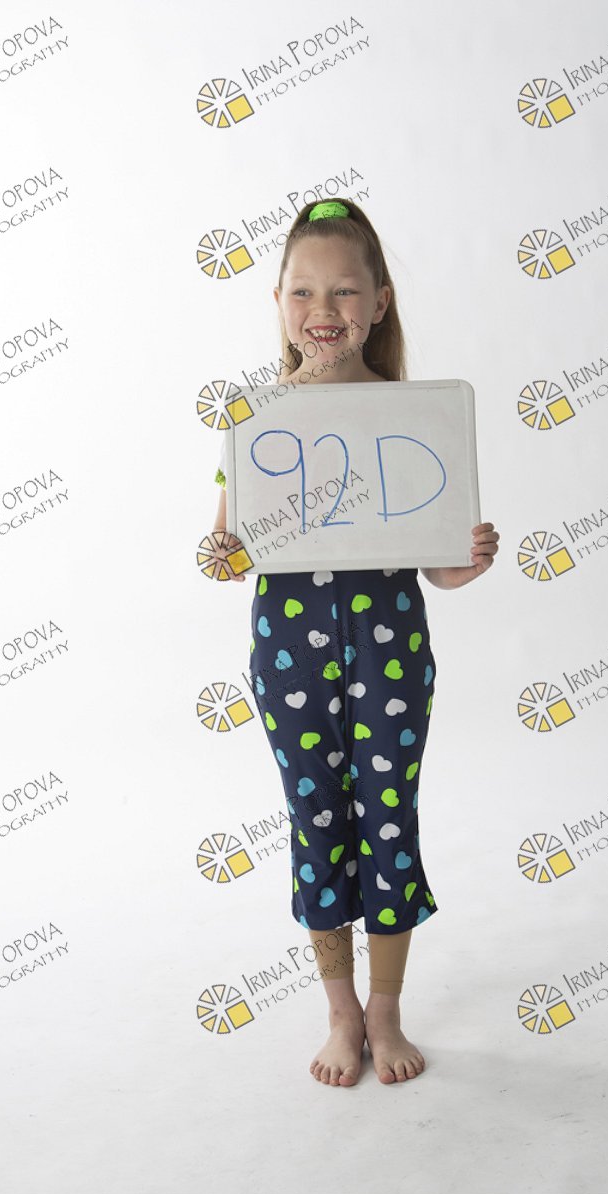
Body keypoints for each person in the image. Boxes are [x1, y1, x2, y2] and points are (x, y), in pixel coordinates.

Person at [211, 198, 500, 1086]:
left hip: (389, 650)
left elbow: (435, 565)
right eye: (303, 291)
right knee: (317, 819)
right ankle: (339, 1012)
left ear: (378, 302)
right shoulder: (256, 418)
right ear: (278, 302)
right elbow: (228, 543)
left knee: (387, 814)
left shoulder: (413, 416)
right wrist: (219, 553)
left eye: (343, 290)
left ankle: (385, 1009)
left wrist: (465, 561)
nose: (323, 309)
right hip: (288, 651)